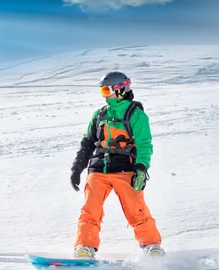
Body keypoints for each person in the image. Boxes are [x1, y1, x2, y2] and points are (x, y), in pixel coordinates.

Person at [69, 71, 164, 258]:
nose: (104, 95)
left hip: (126, 169)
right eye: (102, 91)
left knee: (136, 210)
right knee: (90, 209)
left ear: (120, 89)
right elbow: (87, 142)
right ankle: (85, 247)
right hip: (99, 168)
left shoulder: (136, 115)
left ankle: (152, 246)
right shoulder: (100, 115)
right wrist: (77, 168)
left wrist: (141, 168)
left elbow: (145, 144)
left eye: (107, 90)